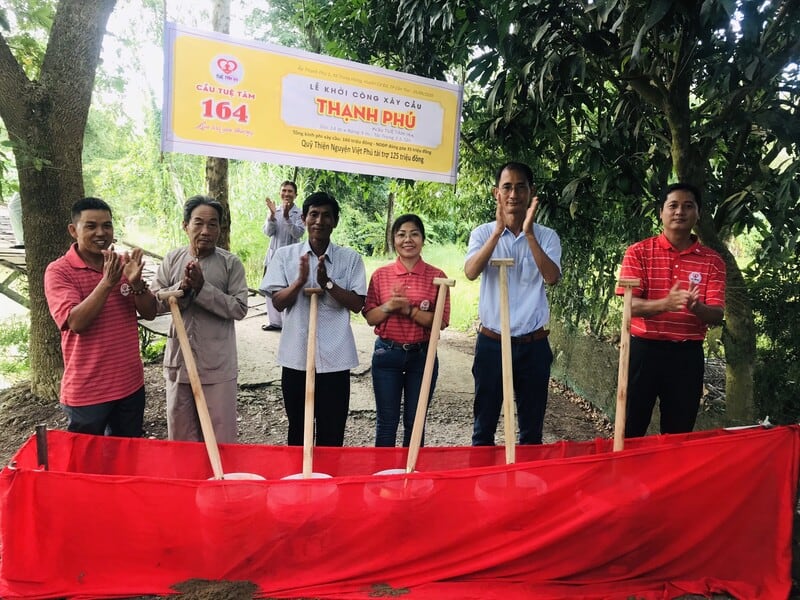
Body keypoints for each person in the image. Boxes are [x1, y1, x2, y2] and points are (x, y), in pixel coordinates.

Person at [616, 182, 725, 437]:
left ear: (698, 214)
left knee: (679, 432)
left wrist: (696, 307)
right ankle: (625, 464)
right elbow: (629, 306)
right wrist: (665, 304)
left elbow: (717, 314)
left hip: (686, 356)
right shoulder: (638, 252)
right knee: (629, 426)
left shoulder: (713, 261)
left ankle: (669, 466)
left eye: (688, 206)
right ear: (661, 212)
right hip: (642, 351)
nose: (680, 212)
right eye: (673, 205)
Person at [465, 161, 562, 446]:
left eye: (521, 187)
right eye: (507, 187)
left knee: (531, 432)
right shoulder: (482, 233)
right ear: (496, 193)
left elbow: (552, 277)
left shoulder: (547, 236)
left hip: (533, 345)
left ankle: (524, 476)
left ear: (531, 192)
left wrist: (529, 233)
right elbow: (470, 272)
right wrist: (497, 232)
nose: (513, 194)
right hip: (492, 343)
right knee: (483, 428)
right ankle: (483, 474)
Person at [44, 197, 157, 436]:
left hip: (130, 385)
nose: (101, 233)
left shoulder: (124, 264)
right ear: (73, 230)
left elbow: (150, 313)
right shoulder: (59, 271)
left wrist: (136, 283)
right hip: (88, 392)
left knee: (127, 452)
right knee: (89, 456)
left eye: (107, 225)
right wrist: (107, 283)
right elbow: (76, 323)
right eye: (91, 226)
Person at [260, 191, 366, 447]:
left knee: (332, 432)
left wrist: (327, 283)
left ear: (335, 221)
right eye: (314, 215)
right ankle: (300, 474)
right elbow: (277, 302)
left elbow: (357, 304)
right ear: (304, 219)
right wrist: (298, 282)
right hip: (296, 358)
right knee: (298, 429)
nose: (319, 221)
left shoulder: (350, 258)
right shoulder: (285, 256)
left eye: (326, 215)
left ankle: (329, 473)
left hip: (335, 360)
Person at [150, 195, 249, 444]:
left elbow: (239, 308)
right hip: (179, 365)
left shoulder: (231, 264)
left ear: (220, 229)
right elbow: (154, 303)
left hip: (218, 368)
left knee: (220, 440)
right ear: (185, 226)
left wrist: (203, 289)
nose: (205, 231)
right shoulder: (172, 260)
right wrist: (181, 288)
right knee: (181, 440)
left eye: (212, 224)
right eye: (198, 223)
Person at [363, 214, 451, 447]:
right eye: (401, 234)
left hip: (423, 356)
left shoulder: (437, 277)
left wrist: (409, 310)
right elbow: (371, 317)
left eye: (414, 234)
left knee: (415, 422)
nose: (407, 240)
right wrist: (390, 306)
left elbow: (441, 321)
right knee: (386, 423)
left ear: (423, 239)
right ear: (393, 240)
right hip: (386, 354)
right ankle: (385, 471)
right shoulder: (381, 275)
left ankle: (412, 470)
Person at [261, 181, 305, 331]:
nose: (286, 194)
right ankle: (275, 322)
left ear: (295, 195)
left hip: (291, 258)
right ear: (280, 193)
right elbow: (268, 232)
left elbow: (298, 233)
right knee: (270, 288)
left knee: (288, 289)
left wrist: (287, 218)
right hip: (273, 256)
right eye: (284, 191)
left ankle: (288, 322)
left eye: (290, 191)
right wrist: (272, 216)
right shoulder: (275, 210)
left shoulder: (299, 213)